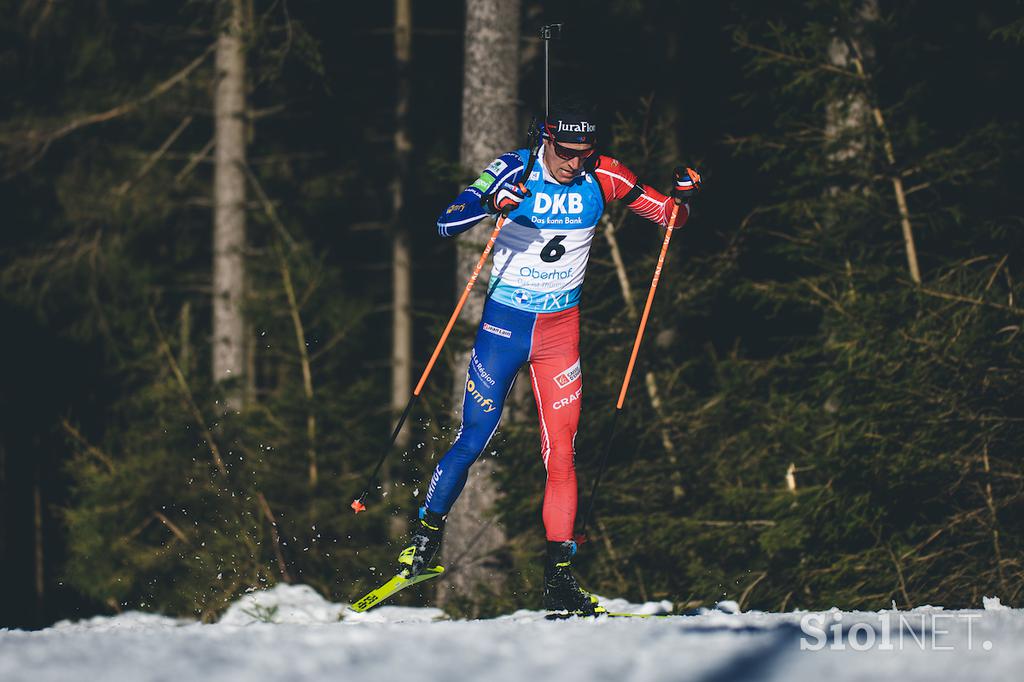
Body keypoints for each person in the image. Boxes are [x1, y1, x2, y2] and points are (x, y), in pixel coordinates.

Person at [400, 98, 702, 614]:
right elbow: (446, 223)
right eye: (565, 153)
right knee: (473, 437)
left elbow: (669, 216)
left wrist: (683, 196)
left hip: (561, 332)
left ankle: (559, 580)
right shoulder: (514, 168)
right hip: (504, 326)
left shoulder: (603, 174)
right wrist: (492, 203)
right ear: (545, 139)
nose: (574, 163)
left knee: (562, 453)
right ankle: (424, 543)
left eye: (584, 153)